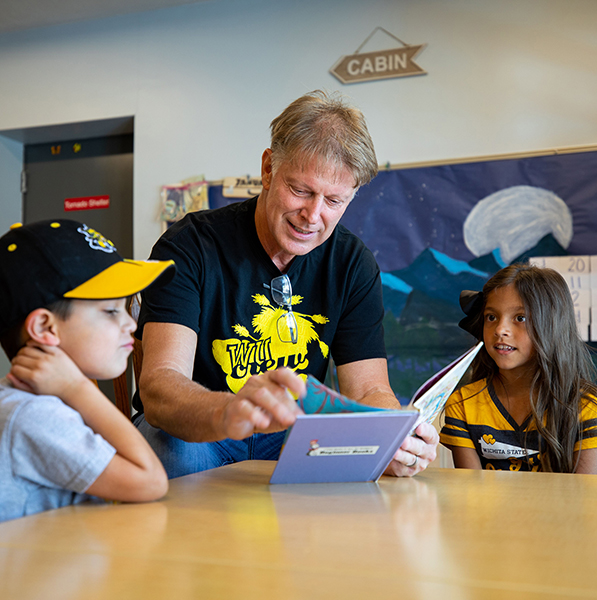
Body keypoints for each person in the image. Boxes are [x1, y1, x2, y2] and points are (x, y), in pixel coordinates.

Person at [133, 90, 439, 478]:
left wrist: (394, 434)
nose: (313, 216)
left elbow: (368, 391)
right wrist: (229, 411)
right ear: (267, 169)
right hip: (199, 426)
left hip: (292, 431)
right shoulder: (190, 245)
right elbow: (160, 388)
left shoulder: (351, 263)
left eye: (334, 201)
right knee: (179, 455)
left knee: (356, 473)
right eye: (300, 190)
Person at [0, 219, 175, 530]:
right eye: (111, 311)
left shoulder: (34, 403)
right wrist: (79, 389)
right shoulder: (32, 414)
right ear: (46, 328)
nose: (131, 325)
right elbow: (150, 481)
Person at [440, 264, 597, 474]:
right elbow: (471, 492)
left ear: (552, 326)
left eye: (520, 318)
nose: (500, 329)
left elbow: (582, 497)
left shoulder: (585, 407)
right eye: (491, 317)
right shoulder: (463, 404)